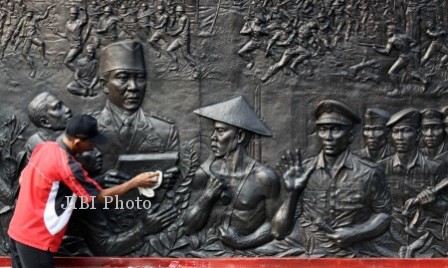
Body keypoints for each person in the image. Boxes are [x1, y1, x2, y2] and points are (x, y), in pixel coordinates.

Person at [8, 114, 159, 267]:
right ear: (78, 142)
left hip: (17, 231)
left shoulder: (44, 147)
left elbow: (23, 179)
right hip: (35, 239)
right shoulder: (68, 166)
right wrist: (135, 182)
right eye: (91, 142)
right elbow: (99, 197)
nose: (94, 147)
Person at [273, 100, 391, 256]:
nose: (328, 137)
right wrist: (292, 193)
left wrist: (355, 233)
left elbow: (384, 215)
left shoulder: (369, 172)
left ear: (351, 134)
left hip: (354, 253)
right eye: (323, 129)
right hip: (308, 252)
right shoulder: (303, 171)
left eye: (335, 129)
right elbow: (278, 232)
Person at [185, 96, 280, 250]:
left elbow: (275, 225)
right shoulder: (204, 174)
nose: (212, 137)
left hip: (249, 256)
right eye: (214, 131)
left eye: (220, 131)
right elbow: (187, 227)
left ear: (240, 136)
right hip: (206, 253)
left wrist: (242, 242)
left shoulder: (264, 178)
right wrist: (207, 197)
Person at [378, 108, 448, 256]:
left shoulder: (435, 168)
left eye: (405, 131)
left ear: (417, 136)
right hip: (388, 237)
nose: (400, 137)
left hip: (426, 240)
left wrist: (432, 203)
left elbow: (444, 209)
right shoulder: (380, 168)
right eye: (396, 132)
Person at [25, 92, 72, 157]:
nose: (67, 109)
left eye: (63, 105)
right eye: (58, 108)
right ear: (45, 122)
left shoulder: (73, 135)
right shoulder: (35, 143)